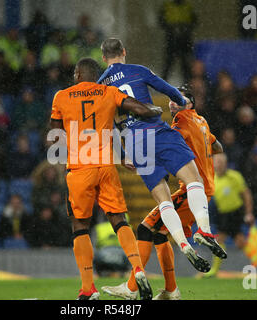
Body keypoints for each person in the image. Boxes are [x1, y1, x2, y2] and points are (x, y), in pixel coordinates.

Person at [98, 38, 225, 273]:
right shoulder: (138, 71)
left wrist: (123, 153)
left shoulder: (101, 86)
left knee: (163, 201)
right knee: (193, 181)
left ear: (103, 58)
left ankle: (184, 244)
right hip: (156, 131)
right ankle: (204, 230)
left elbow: (106, 125)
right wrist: (181, 101)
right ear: (124, 52)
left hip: (134, 144)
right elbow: (168, 90)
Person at [50, 57, 162, 300]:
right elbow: (140, 109)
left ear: (79, 74)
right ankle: (138, 269)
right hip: (106, 166)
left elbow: (54, 136)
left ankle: (88, 289)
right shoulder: (109, 92)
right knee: (119, 220)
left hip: (80, 168)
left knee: (80, 226)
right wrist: (156, 110)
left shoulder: (61, 96)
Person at [102, 87, 224, 300]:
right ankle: (171, 290)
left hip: (191, 191)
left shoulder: (179, 124)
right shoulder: (202, 122)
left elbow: (166, 147)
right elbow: (218, 147)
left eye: (179, 100)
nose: (172, 103)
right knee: (159, 233)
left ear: (190, 104)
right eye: (171, 99)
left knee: (146, 228)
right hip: (204, 189)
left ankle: (131, 288)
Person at [202, 153, 254, 278]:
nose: (219, 165)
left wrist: (249, 212)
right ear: (213, 164)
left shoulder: (235, 176)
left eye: (221, 162)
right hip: (223, 214)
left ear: (226, 164)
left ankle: (214, 270)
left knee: (226, 241)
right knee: (232, 241)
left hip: (235, 212)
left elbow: (246, 195)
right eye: (217, 162)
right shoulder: (212, 178)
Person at [158, 0, 197, 81]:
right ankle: (163, 83)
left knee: (185, 64)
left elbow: (194, 21)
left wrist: (185, 28)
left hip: (185, 39)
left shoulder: (187, 6)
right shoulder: (167, 6)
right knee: (169, 63)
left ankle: (187, 83)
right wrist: (171, 28)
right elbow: (161, 21)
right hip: (171, 38)